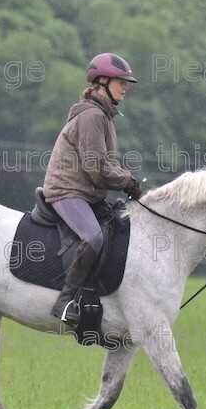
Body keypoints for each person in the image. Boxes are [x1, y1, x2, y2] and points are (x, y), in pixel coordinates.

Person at [42, 53, 142, 325]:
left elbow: (107, 166)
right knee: (94, 237)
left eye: (126, 82)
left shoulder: (105, 116)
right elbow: (97, 168)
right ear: (102, 81)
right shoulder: (92, 116)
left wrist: (127, 180)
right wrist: (127, 181)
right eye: (121, 81)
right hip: (67, 191)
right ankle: (64, 302)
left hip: (88, 194)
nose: (126, 87)